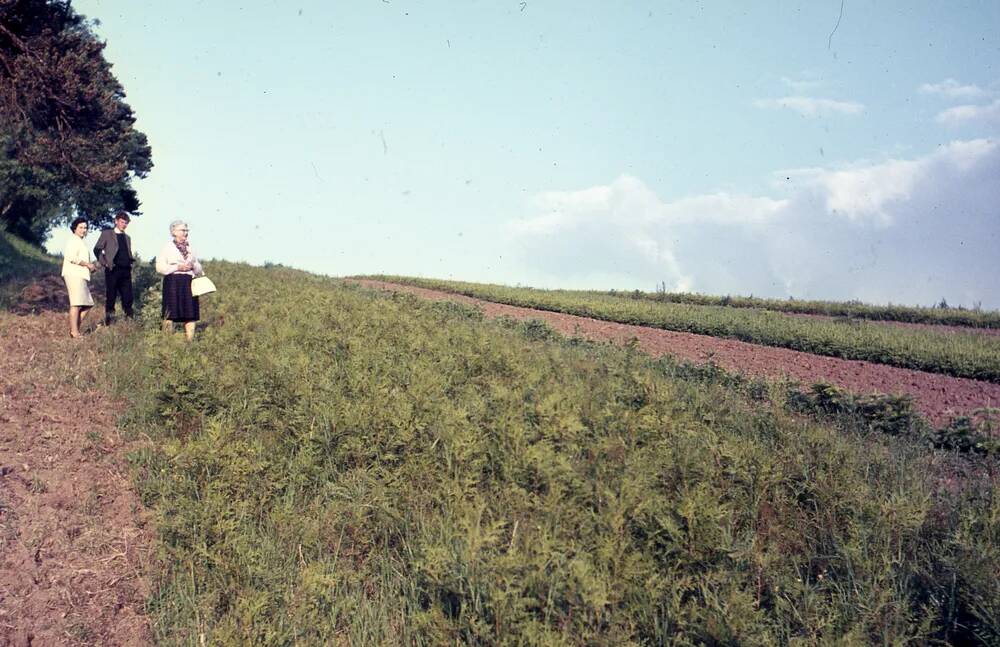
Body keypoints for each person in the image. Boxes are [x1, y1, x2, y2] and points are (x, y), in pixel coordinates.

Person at [156, 220, 203, 341]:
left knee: (190, 314)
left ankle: (189, 343)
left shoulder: (191, 248)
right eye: (183, 230)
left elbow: (198, 268)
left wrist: (193, 266)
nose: (186, 233)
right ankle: (168, 342)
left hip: (189, 281)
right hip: (173, 281)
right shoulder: (167, 247)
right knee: (170, 313)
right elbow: (160, 267)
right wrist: (177, 267)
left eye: (187, 231)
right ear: (173, 232)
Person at [93, 211, 135, 325]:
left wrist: (131, 263)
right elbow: (97, 249)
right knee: (111, 296)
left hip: (126, 270)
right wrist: (105, 263)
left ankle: (129, 322)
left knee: (128, 297)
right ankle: (109, 322)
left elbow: (127, 253)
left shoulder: (127, 237)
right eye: (122, 222)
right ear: (116, 221)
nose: (124, 225)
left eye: (126, 223)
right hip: (113, 269)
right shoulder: (107, 234)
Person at [61, 217, 98, 338]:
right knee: (76, 304)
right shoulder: (73, 240)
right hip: (73, 274)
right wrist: (87, 264)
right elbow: (71, 257)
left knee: (88, 303)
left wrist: (90, 267)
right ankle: (74, 332)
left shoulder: (81, 241)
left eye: (85, 228)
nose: (83, 230)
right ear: (75, 228)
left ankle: (74, 328)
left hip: (80, 275)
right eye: (81, 227)